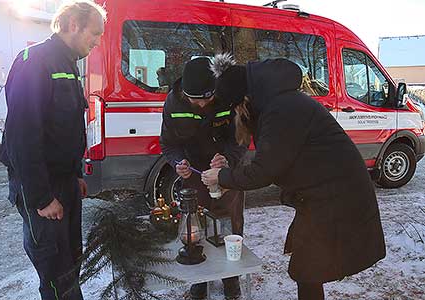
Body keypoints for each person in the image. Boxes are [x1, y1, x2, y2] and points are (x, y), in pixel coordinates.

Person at [202, 54, 386, 300]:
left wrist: (222, 177)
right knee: (308, 267)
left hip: (338, 198)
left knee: (307, 269)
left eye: (235, 109)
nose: (237, 116)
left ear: (244, 100)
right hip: (323, 196)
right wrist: (227, 172)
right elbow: (271, 161)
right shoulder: (278, 104)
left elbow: (263, 171)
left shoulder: (281, 111)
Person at [0, 1, 106, 299]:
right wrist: (42, 198)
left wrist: (75, 176)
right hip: (42, 187)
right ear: (73, 24)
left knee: (71, 261)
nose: (97, 42)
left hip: (64, 183)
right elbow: (22, 138)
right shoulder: (34, 62)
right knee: (56, 270)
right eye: (94, 34)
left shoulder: (68, 65)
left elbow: (64, 129)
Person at [160, 57, 247, 300]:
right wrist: (178, 162)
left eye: (207, 99)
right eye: (195, 100)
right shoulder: (174, 103)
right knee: (195, 227)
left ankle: (232, 279)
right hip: (195, 174)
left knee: (230, 224)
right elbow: (168, 144)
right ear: (185, 95)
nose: (202, 105)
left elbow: (241, 138)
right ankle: (201, 279)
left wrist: (227, 159)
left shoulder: (228, 97)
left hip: (228, 172)